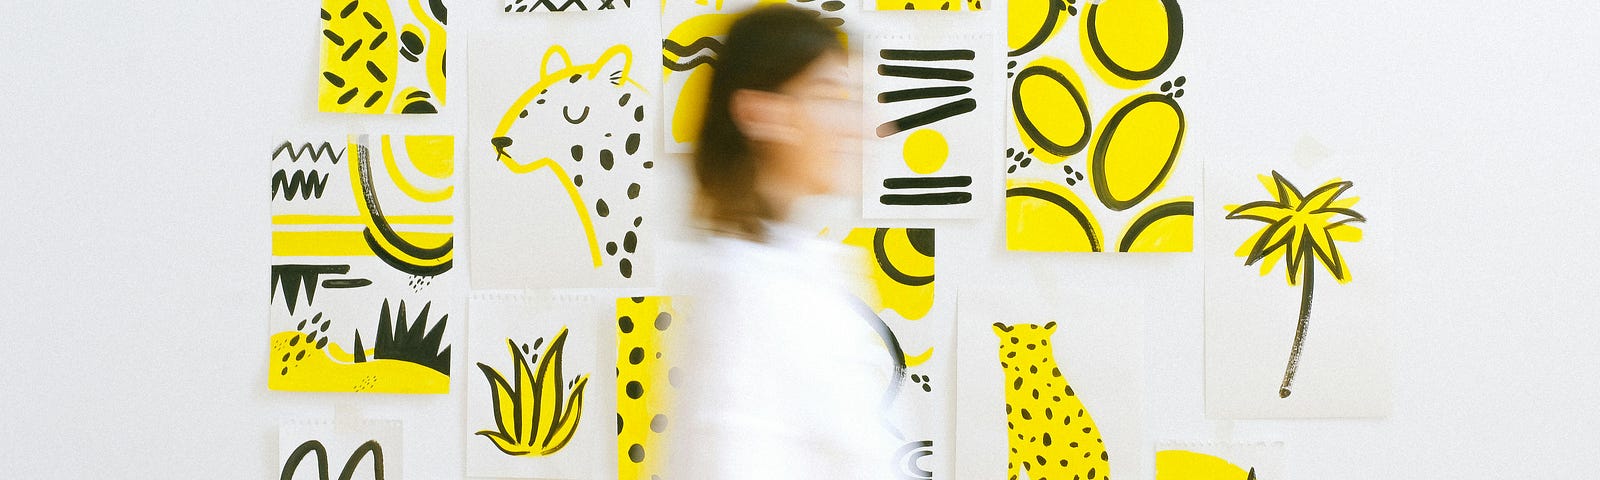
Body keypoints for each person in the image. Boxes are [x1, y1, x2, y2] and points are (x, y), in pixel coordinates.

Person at [663, 4, 903, 479]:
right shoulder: (743, 287)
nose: (866, 125)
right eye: (831, 95)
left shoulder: (807, 268)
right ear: (760, 113)